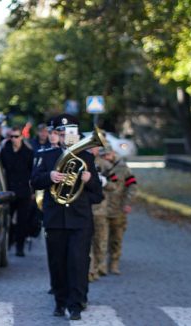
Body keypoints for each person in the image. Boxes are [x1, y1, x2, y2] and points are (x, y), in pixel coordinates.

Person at [30, 114, 103, 321]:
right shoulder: (46, 156)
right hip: (55, 220)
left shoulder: (87, 158)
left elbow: (98, 196)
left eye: (70, 133)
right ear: (57, 135)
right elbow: (34, 182)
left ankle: (77, 304)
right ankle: (60, 302)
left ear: (76, 135)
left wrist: (89, 181)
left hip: (80, 220)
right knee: (57, 262)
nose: (65, 137)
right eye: (61, 133)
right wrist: (49, 177)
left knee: (78, 262)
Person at [100, 147, 137, 275]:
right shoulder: (99, 167)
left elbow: (132, 186)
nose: (106, 157)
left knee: (116, 238)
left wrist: (128, 203)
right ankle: (101, 265)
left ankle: (114, 263)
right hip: (102, 209)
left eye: (107, 155)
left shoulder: (123, 168)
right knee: (101, 239)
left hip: (118, 208)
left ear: (113, 154)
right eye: (103, 155)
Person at [0, 127, 35, 257]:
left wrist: (33, 191)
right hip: (9, 190)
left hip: (24, 190)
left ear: (21, 137)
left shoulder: (28, 152)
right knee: (7, 219)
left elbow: (33, 172)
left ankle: (20, 246)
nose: (14, 139)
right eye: (12, 136)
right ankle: (7, 243)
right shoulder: (5, 151)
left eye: (16, 136)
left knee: (22, 221)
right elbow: (1, 169)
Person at [89, 148, 115, 281]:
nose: (91, 149)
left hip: (100, 210)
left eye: (94, 147)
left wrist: (105, 182)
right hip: (86, 209)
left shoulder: (106, 165)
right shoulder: (82, 162)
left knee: (101, 241)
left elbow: (115, 185)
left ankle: (100, 267)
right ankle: (90, 271)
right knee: (86, 242)